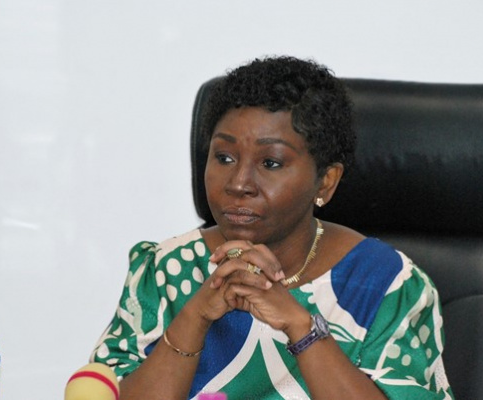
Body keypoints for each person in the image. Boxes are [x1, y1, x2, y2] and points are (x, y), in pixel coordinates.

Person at [90, 56, 454, 400]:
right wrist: (194, 316)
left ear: (326, 181)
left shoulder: (385, 285)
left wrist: (300, 326)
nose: (238, 183)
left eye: (271, 163)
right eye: (224, 157)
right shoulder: (165, 271)